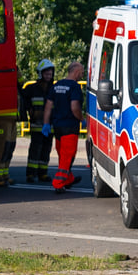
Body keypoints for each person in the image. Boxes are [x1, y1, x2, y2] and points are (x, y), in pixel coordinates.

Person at [42, 61, 84, 194]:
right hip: (70, 127)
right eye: (82, 73)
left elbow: (48, 106)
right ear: (76, 72)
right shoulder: (74, 87)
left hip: (58, 127)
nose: (82, 75)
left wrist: (46, 123)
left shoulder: (57, 85)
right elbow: (74, 107)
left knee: (63, 155)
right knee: (67, 156)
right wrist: (82, 119)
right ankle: (59, 182)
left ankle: (68, 179)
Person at [20, 59, 55, 182]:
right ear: (40, 74)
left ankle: (42, 173)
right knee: (35, 150)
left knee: (46, 150)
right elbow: (23, 99)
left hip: (50, 126)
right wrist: (28, 111)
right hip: (36, 125)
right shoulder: (32, 88)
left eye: (50, 74)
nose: (48, 76)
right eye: (46, 74)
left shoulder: (54, 89)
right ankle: (30, 174)